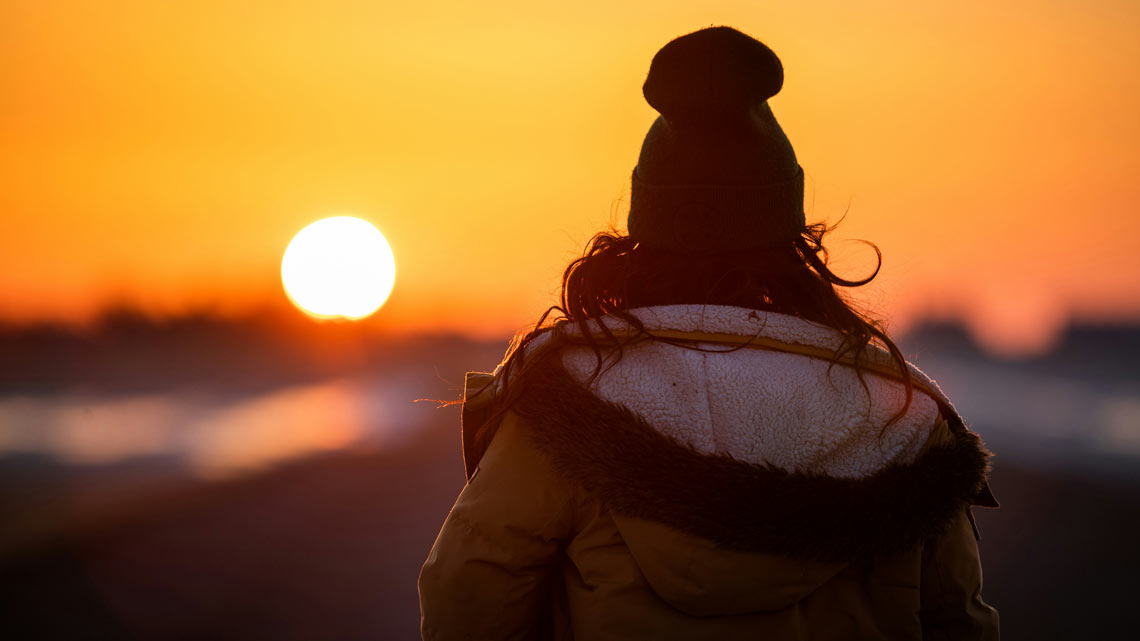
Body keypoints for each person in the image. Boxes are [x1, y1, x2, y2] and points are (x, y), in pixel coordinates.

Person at [419, 25, 1000, 641]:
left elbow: (470, 592)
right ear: (790, 237)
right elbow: (957, 619)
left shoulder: (572, 399)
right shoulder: (902, 417)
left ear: (643, 233)